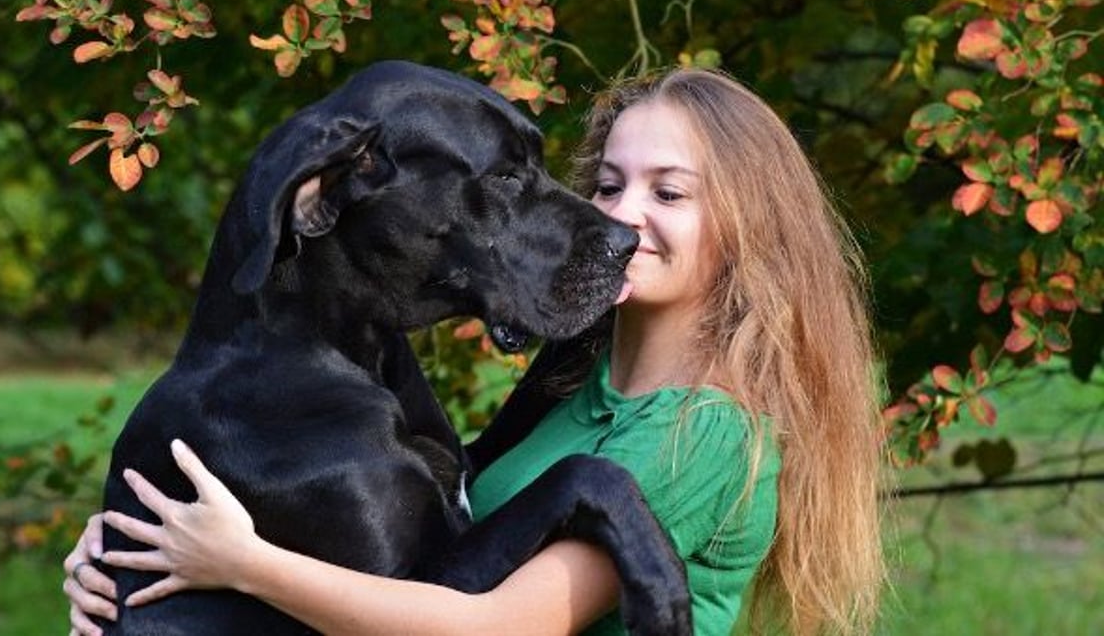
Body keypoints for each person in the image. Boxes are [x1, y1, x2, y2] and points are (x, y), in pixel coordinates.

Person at [63, 67, 886, 635]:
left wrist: (241, 562)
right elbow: (450, 540)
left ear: (748, 230)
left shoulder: (699, 432)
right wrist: (118, 566)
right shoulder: (575, 388)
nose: (616, 220)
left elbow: (486, 623)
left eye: (668, 192)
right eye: (607, 183)